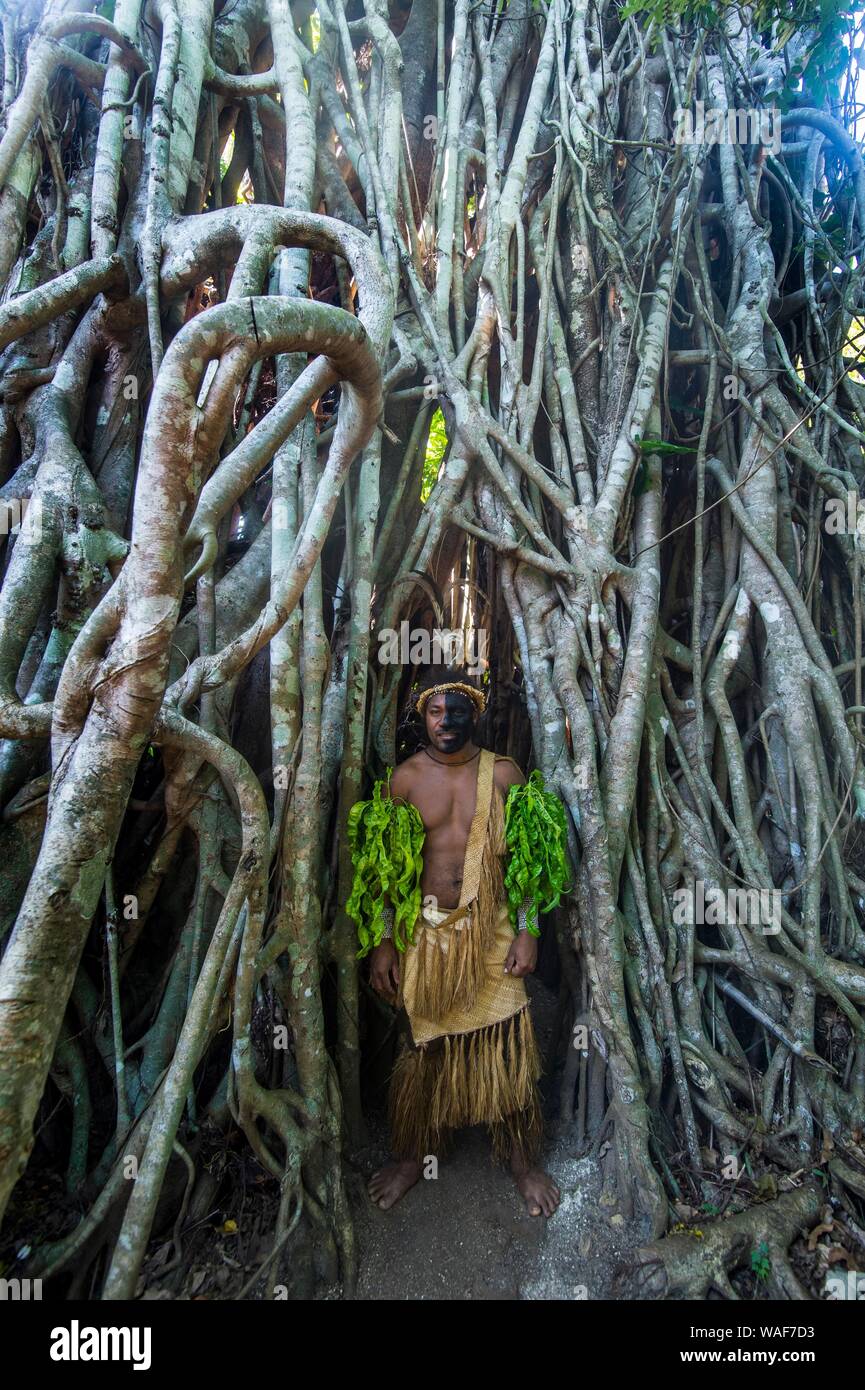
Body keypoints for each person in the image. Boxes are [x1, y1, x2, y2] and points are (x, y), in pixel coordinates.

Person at [349, 667, 565, 1217]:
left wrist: (528, 929)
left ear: (475, 711)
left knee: (507, 1046)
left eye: (457, 711)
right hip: (424, 937)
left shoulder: (505, 776)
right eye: (435, 712)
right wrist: (383, 942)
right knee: (423, 1049)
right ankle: (411, 1157)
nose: (447, 722)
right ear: (421, 717)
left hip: (489, 933)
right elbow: (383, 872)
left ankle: (521, 1162)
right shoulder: (404, 781)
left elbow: (530, 861)